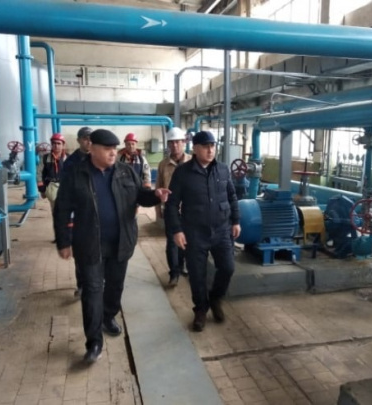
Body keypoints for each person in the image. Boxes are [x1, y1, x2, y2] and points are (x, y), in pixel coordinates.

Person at [53, 129, 170, 364]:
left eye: (114, 149)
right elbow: (62, 209)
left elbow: (140, 196)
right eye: (107, 149)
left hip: (120, 243)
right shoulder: (76, 173)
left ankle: (108, 317)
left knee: (115, 287)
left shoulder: (125, 171)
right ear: (92, 148)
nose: (112, 153)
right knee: (92, 291)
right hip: (89, 244)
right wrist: (64, 242)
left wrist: (156, 195)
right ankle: (94, 342)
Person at [164, 130, 240, 332]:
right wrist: (177, 230)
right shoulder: (183, 173)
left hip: (222, 230)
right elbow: (172, 204)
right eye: (206, 146)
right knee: (197, 274)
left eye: (213, 146)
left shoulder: (222, 170)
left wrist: (236, 221)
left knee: (228, 267)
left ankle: (215, 298)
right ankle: (200, 309)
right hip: (194, 232)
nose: (210, 150)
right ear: (195, 149)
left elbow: (232, 197)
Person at [156, 127, 192, 287]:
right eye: (171, 142)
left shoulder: (192, 162)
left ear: (184, 142)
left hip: (190, 210)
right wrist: (158, 210)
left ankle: (182, 266)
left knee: (187, 240)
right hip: (171, 210)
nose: (175, 145)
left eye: (178, 142)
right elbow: (158, 187)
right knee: (171, 242)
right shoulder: (163, 165)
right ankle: (174, 273)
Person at [62, 126, 93, 298]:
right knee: (80, 252)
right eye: (85, 139)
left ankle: (96, 283)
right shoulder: (71, 162)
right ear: (79, 140)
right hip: (79, 213)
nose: (89, 142)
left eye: (91, 139)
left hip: (96, 212)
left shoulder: (97, 157)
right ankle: (81, 285)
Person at [37, 133, 68, 213]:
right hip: (51, 187)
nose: (56, 146)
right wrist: (42, 188)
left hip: (65, 187)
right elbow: (39, 173)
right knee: (56, 209)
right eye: (54, 143)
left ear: (63, 145)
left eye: (59, 143)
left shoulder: (69, 158)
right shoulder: (45, 158)